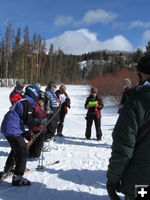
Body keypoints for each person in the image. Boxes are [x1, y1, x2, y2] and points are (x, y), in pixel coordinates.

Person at [107, 53, 150, 200]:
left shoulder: (138, 100)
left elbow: (124, 147)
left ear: (142, 74)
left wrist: (112, 180)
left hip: (142, 180)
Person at [1, 85, 40, 186]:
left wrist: (25, 133)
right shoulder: (27, 103)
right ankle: (17, 178)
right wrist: (38, 124)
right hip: (11, 128)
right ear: (34, 94)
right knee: (23, 152)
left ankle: (8, 169)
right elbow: (29, 121)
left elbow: (19, 119)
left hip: (10, 127)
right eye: (38, 95)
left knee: (16, 149)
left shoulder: (23, 101)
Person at [28, 91, 47, 158]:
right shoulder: (35, 105)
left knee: (39, 142)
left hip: (41, 127)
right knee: (36, 142)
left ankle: (34, 154)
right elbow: (37, 115)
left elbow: (42, 115)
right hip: (36, 127)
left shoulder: (40, 106)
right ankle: (34, 155)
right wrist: (42, 116)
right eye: (41, 100)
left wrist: (46, 112)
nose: (42, 102)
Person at [44, 81, 60, 149]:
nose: (55, 88)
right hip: (51, 112)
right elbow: (47, 103)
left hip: (55, 110)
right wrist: (48, 110)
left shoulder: (52, 93)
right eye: (54, 87)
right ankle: (45, 144)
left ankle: (50, 142)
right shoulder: (47, 93)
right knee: (50, 127)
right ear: (51, 86)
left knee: (53, 127)